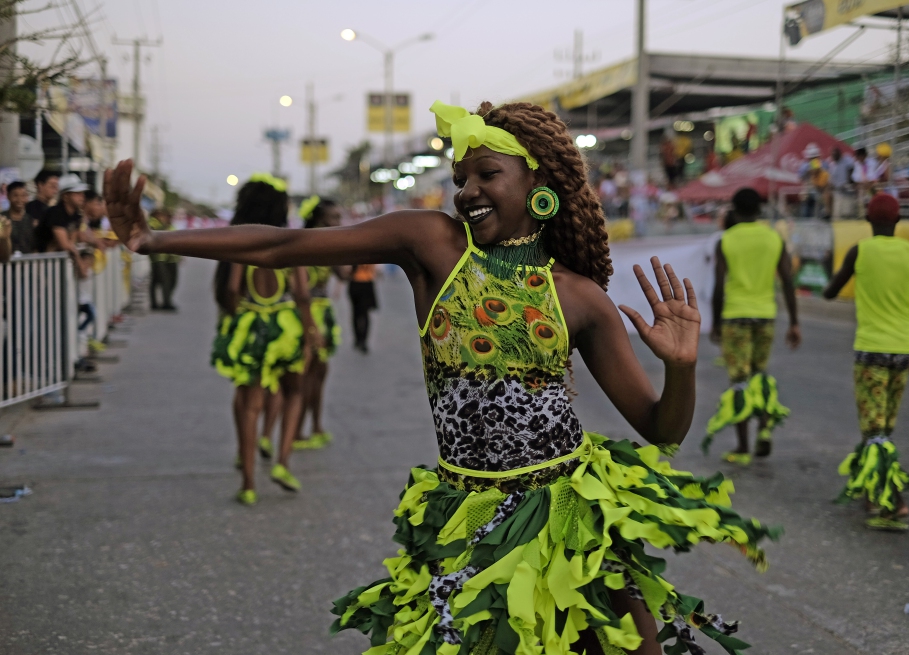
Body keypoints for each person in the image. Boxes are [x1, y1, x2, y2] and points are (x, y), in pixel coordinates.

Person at [104, 99, 780, 655]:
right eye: (461, 178)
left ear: (538, 183)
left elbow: (662, 429)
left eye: (487, 174)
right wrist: (151, 240)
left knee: (633, 646)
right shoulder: (433, 244)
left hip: (567, 514)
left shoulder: (579, 298)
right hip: (467, 514)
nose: (467, 191)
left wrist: (681, 369)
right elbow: (287, 246)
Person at [822, 193, 909, 531]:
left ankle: (894, 503)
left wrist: (830, 264)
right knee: (882, 427)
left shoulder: (860, 251)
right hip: (902, 351)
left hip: (871, 352)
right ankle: (871, 490)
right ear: (897, 220)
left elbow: (829, 292)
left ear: (868, 221)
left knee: (874, 430)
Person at [207, 174, 318, 505]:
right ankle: (282, 462)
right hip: (286, 327)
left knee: (249, 405)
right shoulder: (289, 242)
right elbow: (302, 293)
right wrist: (311, 331)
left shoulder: (244, 243)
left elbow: (231, 289)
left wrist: (234, 317)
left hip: (253, 324)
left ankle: (248, 483)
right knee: (294, 392)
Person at [706, 188, 800, 464]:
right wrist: (794, 322)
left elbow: (719, 285)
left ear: (734, 210)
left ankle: (743, 446)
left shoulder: (726, 240)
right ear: (759, 210)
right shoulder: (774, 238)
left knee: (739, 381)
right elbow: (787, 281)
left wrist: (715, 321)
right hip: (765, 315)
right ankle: (765, 430)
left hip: (735, 316)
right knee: (760, 375)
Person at [294, 196, 345, 450]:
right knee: (306, 376)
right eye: (333, 218)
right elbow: (300, 292)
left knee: (320, 373)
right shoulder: (305, 245)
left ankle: (315, 426)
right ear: (318, 220)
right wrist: (311, 327)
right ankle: (296, 431)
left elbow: (344, 274)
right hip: (307, 314)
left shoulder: (328, 245)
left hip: (323, 312)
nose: (338, 223)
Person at [147, 208, 180, 311]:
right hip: (158, 257)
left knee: (168, 280)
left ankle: (163, 301)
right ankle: (163, 302)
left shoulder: (170, 225)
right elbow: (156, 234)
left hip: (169, 257)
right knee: (162, 280)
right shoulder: (153, 223)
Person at [348, 263, 376, 353]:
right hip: (365, 283)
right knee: (363, 314)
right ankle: (361, 339)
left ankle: (359, 339)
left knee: (358, 314)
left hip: (358, 283)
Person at [3, 181, 34, 255]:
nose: (20, 199)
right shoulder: (2, 219)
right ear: (8, 196)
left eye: (23, 195)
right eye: (15, 195)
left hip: (28, 260)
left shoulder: (30, 220)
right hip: (6, 260)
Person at [828, 147, 856, 219]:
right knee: (838, 213)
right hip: (838, 190)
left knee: (847, 212)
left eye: (836, 154)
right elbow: (831, 180)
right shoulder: (832, 165)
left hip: (847, 187)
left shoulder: (846, 159)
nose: (834, 156)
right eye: (833, 155)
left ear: (840, 154)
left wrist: (849, 180)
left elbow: (851, 168)